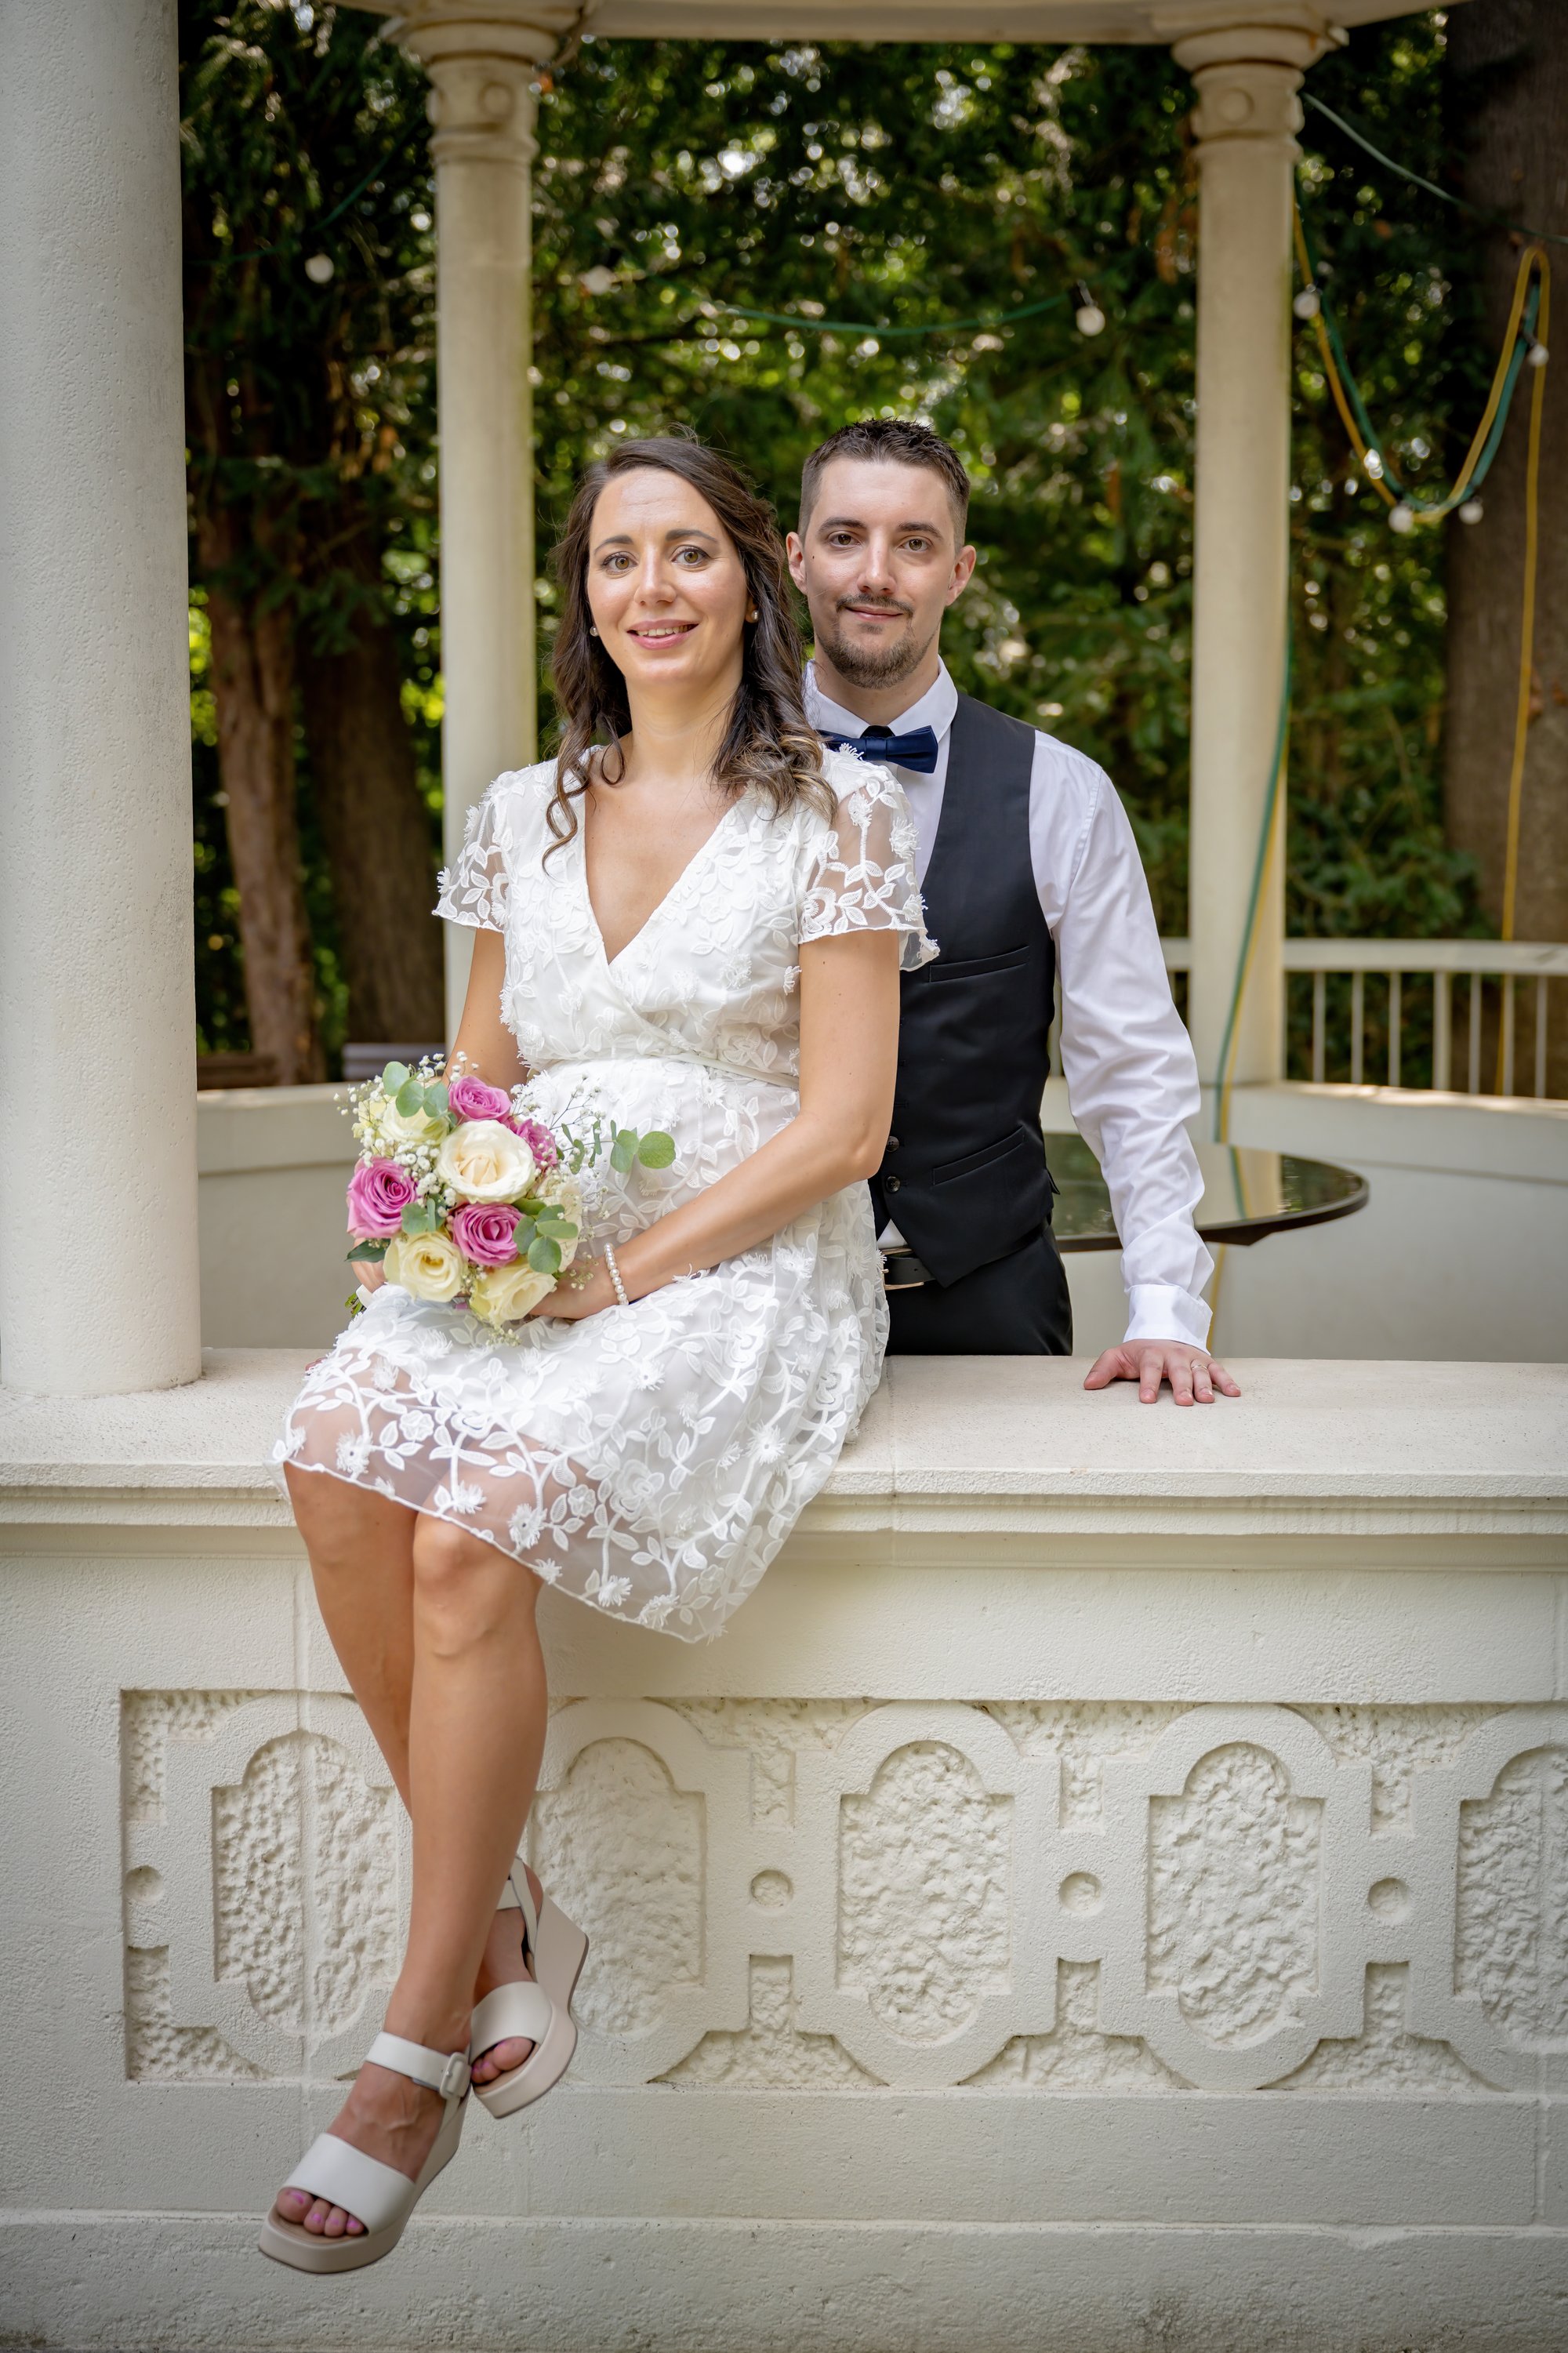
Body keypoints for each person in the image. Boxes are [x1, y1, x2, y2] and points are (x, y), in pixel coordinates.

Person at [262, 438, 931, 2271]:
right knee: (327, 1460)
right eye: (618, 555)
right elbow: (481, 1064)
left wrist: (619, 1274)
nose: (652, 585)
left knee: (468, 1539)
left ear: (750, 581)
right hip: (529, 1233)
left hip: (733, 1257)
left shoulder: (835, 819)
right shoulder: (515, 811)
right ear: (586, 592)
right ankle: (506, 1930)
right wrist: (433, 1196)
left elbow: (845, 1123)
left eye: (690, 552)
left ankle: (408, 2052)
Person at [788, 416, 1240, 1408]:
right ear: (795, 557)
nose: (876, 572)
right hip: (755, 1298)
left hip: (990, 1298)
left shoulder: (1062, 792)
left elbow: (1129, 1066)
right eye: (843, 537)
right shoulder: (707, 782)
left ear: (958, 571)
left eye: (913, 542)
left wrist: (1164, 1302)